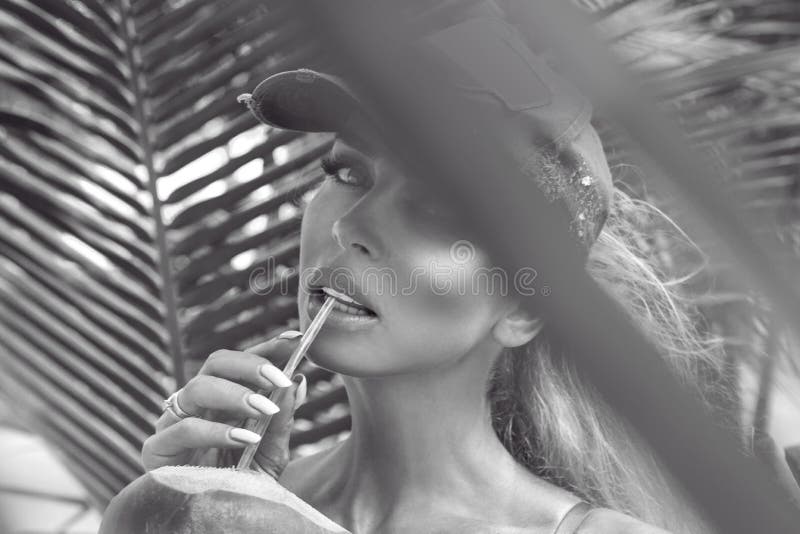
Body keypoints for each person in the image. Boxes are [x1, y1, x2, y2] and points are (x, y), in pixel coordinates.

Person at [142, 4, 731, 533]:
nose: (351, 227)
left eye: (440, 208)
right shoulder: (225, 501)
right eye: (348, 173)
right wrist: (183, 513)